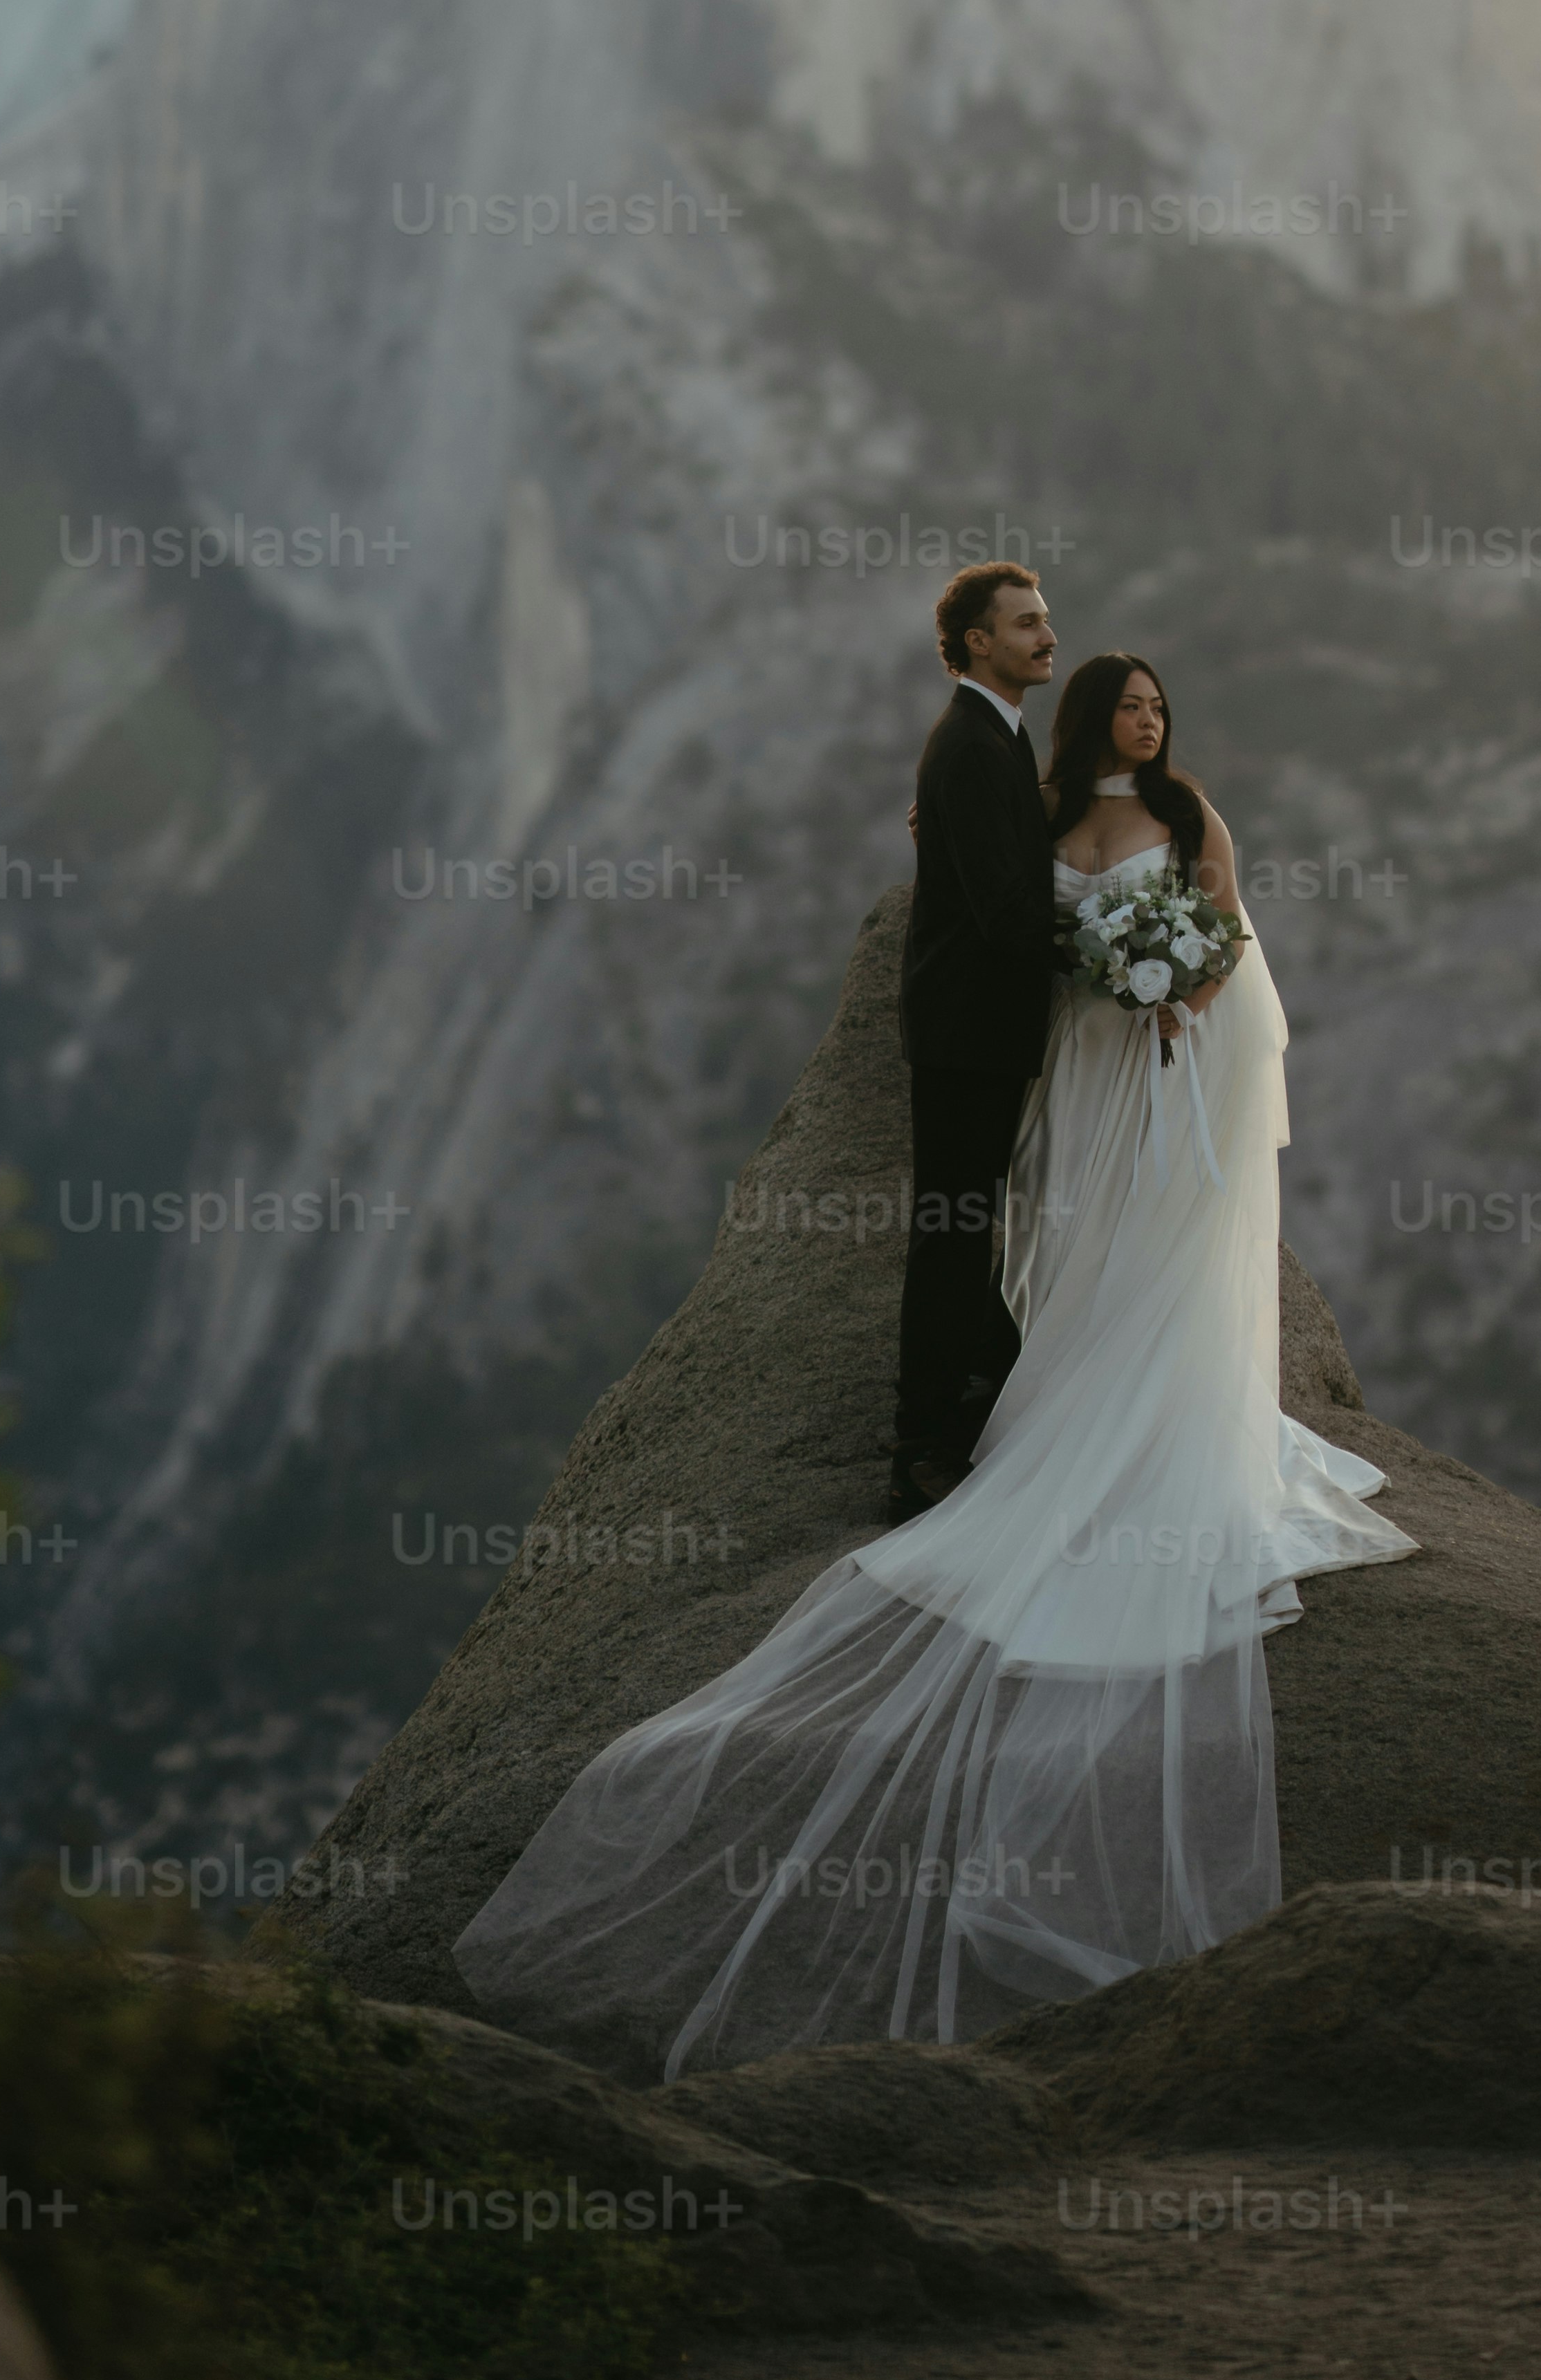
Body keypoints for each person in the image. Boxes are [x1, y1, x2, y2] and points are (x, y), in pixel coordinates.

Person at [448, 625, 1415, 2077]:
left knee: (1164, 1265)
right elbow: (991, 886)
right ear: (1092, 715)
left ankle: (1169, 1426)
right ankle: (1073, 1413)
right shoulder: (1044, 810)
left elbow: (1231, 940)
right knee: (1085, 1262)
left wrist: (1180, 993)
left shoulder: (1190, 816)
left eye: (1161, 708)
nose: (1150, 725)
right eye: (1130, 706)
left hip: (1172, 1078)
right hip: (1087, 1076)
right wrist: (1101, 975)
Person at [888, 562, 1062, 1520]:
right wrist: (1113, 951)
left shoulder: (993, 736)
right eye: (1025, 622)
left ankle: (982, 1393)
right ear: (977, 640)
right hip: (964, 1032)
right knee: (950, 1231)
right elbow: (1003, 911)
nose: (1045, 635)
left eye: (1046, 619)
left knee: (962, 1225)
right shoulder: (967, 743)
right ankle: (918, 1444)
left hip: (976, 1029)